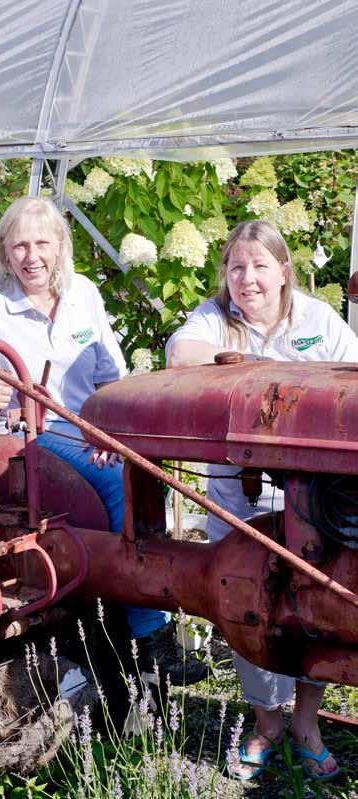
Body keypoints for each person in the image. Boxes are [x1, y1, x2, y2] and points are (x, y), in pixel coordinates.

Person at [0, 195, 207, 686]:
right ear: (4, 251)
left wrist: (113, 433)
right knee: (121, 486)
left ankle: (148, 606)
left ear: (60, 246)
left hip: (87, 430)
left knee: (147, 474)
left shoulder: (83, 294)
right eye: (19, 245)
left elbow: (111, 378)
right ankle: (150, 638)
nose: (31, 256)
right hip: (26, 438)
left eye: (42, 243)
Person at [166, 220, 358, 781]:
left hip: (315, 497)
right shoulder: (213, 317)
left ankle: (306, 723)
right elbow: (181, 355)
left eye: (259, 266)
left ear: (283, 271)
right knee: (246, 603)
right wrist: (249, 365)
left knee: (318, 605)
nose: (247, 278)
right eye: (236, 267)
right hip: (239, 493)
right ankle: (267, 723)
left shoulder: (317, 319)